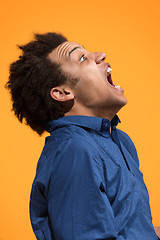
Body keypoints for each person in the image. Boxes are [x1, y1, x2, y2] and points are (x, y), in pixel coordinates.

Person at [6, 32, 160, 240]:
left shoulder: (120, 141)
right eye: (81, 58)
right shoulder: (74, 150)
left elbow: (136, 231)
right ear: (62, 92)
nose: (101, 55)